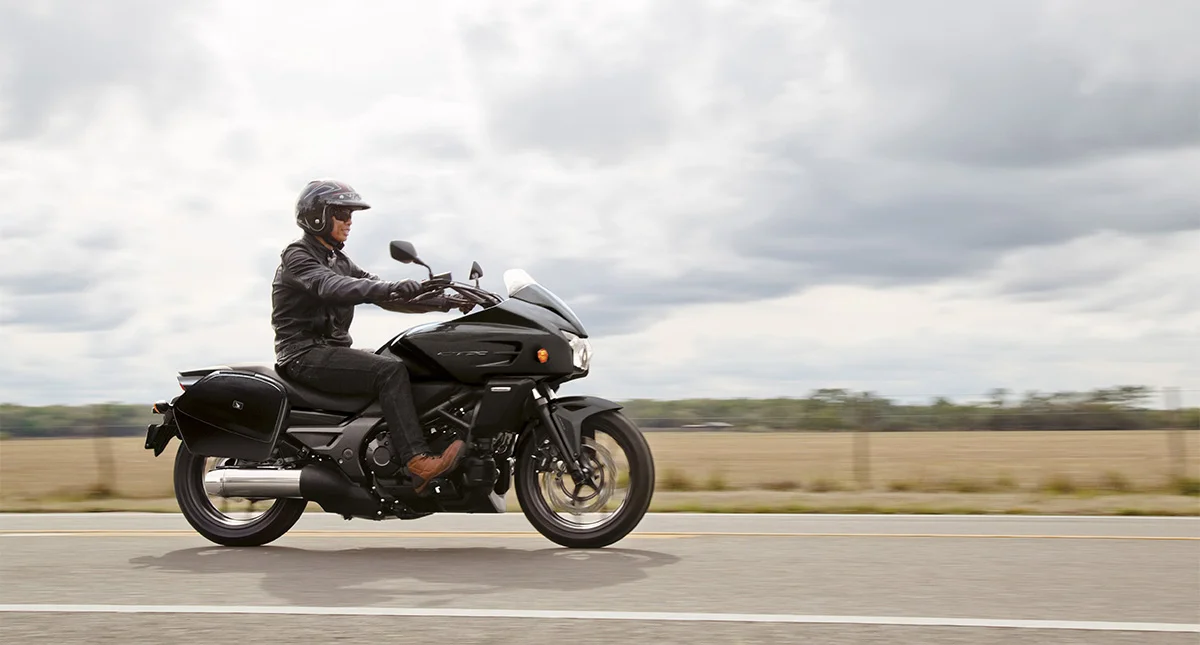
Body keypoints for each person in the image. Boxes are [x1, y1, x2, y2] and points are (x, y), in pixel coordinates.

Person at [271, 178, 464, 494]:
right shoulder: (298, 256)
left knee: (405, 359)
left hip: (328, 350)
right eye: (342, 214)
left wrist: (446, 303)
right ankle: (417, 462)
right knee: (389, 372)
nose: (349, 222)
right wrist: (390, 287)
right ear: (318, 215)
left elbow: (383, 294)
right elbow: (332, 287)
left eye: (351, 215)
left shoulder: (339, 260)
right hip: (303, 354)